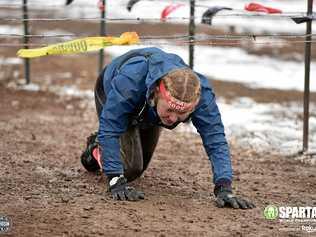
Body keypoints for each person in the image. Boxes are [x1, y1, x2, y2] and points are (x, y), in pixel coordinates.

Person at [80, 47, 255, 209]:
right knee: (128, 169)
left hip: (150, 110)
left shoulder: (202, 96)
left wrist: (224, 186)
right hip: (112, 87)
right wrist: (115, 179)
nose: (173, 119)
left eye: (182, 114)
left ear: (194, 106)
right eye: (170, 110)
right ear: (156, 93)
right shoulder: (130, 81)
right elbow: (110, 127)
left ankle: (110, 144)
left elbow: (215, 140)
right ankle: (95, 147)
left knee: (139, 168)